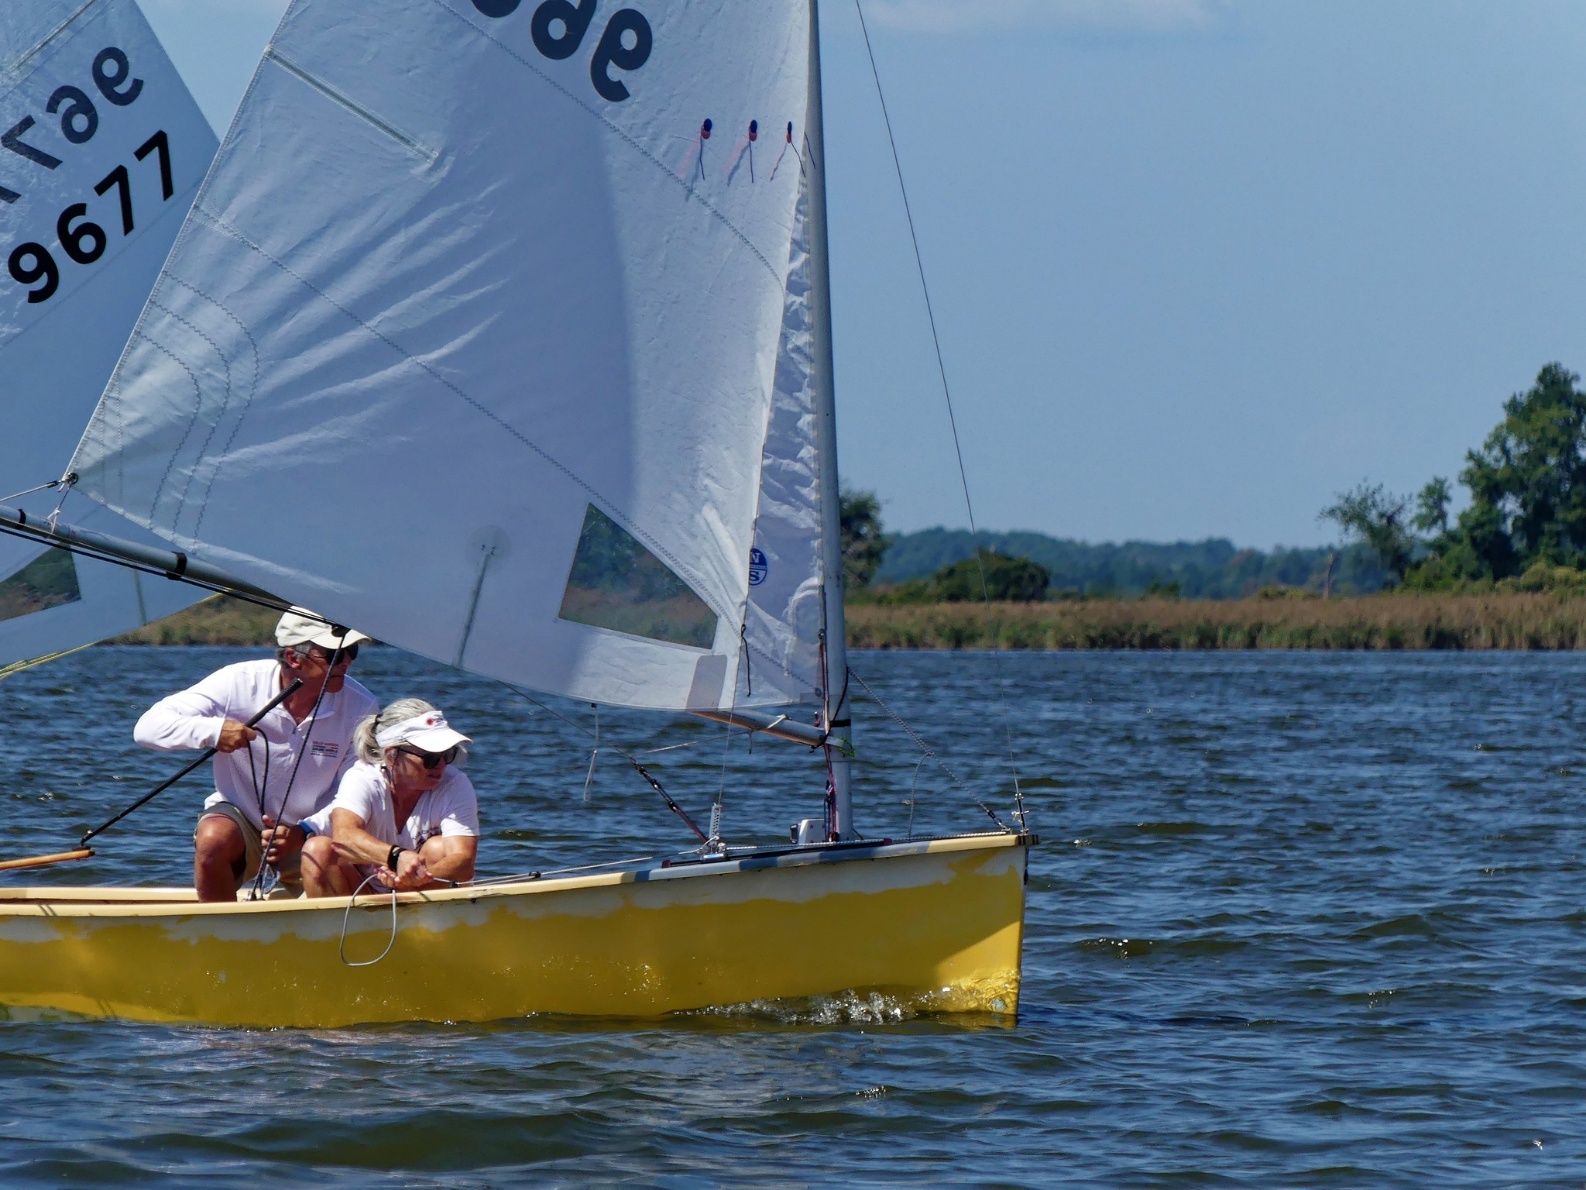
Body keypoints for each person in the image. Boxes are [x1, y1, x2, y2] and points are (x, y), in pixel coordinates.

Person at [134, 608, 376, 901]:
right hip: (243, 820)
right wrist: (214, 731)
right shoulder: (237, 681)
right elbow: (147, 728)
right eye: (334, 655)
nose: (347, 661)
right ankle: (219, 932)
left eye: (351, 651)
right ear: (292, 658)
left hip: (313, 831)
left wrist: (304, 831)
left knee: (326, 854)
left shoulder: (362, 706)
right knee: (213, 839)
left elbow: (357, 789)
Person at [300, 699, 479, 897]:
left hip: (420, 890)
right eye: (431, 758)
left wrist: (409, 879)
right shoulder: (363, 777)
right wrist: (396, 857)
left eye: (448, 754)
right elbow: (343, 837)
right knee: (317, 849)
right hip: (362, 892)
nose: (442, 765)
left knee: (439, 848)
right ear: (392, 756)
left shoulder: (455, 783)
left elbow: (463, 861)